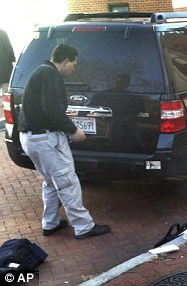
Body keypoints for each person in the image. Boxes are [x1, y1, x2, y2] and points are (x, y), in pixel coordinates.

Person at [18, 43, 111, 239]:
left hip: (31, 138)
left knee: (51, 182)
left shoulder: (40, 71)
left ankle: (50, 223)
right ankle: (83, 226)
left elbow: (47, 108)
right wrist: (73, 130)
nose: (74, 68)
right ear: (66, 61)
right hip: (45, 139)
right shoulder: (51, 75)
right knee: (68, 182)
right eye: (73, 64)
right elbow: (51, 109)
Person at [0, 28, 15, 95]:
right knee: (5, 95)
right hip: (5, 71)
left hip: (4, 70)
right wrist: (13, 60)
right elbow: (9, 50)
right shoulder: (2, 33)